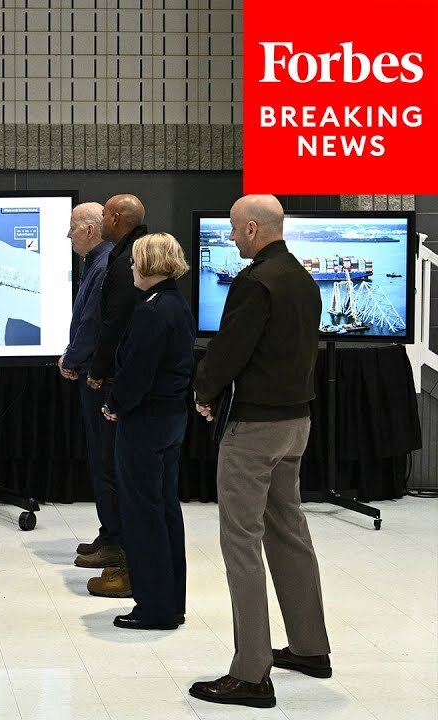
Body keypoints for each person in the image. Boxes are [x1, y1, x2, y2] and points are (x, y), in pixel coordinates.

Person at [189, 195, 330, 709]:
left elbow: (231, 348)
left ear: (252, 228)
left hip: (254, 429)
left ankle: (251, 673)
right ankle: (311, 648)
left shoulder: (254, 282)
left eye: (232, 229)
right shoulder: (303, 277)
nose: (230, 238)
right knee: (289, 531)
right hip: (297, 421)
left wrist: (204, 393)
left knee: (241, 542)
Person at [97, 233, 194, 630]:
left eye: (135, 262)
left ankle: (154, 608)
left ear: (151, 264)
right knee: (166, 508)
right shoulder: (175, 304)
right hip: (171, 418)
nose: (132, 268)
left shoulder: (153, 310)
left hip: (146, 422)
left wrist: (114, 404)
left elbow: (137, 371)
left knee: (143, 513)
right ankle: (171, 600)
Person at [81, 193, 149, 596]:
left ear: (116, 218)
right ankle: (117, 547)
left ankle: (125, 560)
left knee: (116, 471)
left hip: (119, 383)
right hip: (121, 381)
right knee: (112, 468)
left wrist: (98, 371)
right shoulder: (125, 258)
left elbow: (110, 323)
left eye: (105, 213)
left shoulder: (122, 263)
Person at [57, 202, 120, 567]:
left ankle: (114, 540)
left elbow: (92, 324)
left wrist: (72, 358)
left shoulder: (103, 264)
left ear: (90, 230)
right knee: (102, 460)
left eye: (72, 228)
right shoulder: (97, 262)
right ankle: (109, 532)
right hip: (93, 374)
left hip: (97, 380)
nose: (68, 235)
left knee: (104, 460)